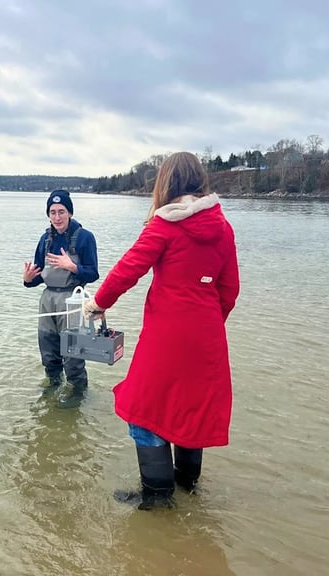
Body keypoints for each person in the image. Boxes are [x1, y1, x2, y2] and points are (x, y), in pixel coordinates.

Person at [83, 152, 240, 510]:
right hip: (208, 335)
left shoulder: (165, 224)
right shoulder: (223, 226)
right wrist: (210, 324)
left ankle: (157, 497)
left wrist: (99, 303)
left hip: (168, 334)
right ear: (200, 181)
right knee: (190, 407)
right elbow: (229, 289)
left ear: (166, 183)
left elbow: (128, 270)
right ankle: (187, 487)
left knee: (143, 410)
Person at [23, 190, 99, 402]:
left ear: (70, 213)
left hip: (73, 300)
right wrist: (28, 279)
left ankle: (77, 395)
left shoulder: (85, 237)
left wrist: (73, 267)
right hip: (48, 301)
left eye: (62, 212)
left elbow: (93, 273)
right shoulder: (45, 239)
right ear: (48, 215)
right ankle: (52, 390)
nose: (57, 217)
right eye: (53, 212)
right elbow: (39, 275)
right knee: (48, 353)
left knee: (73, 355)